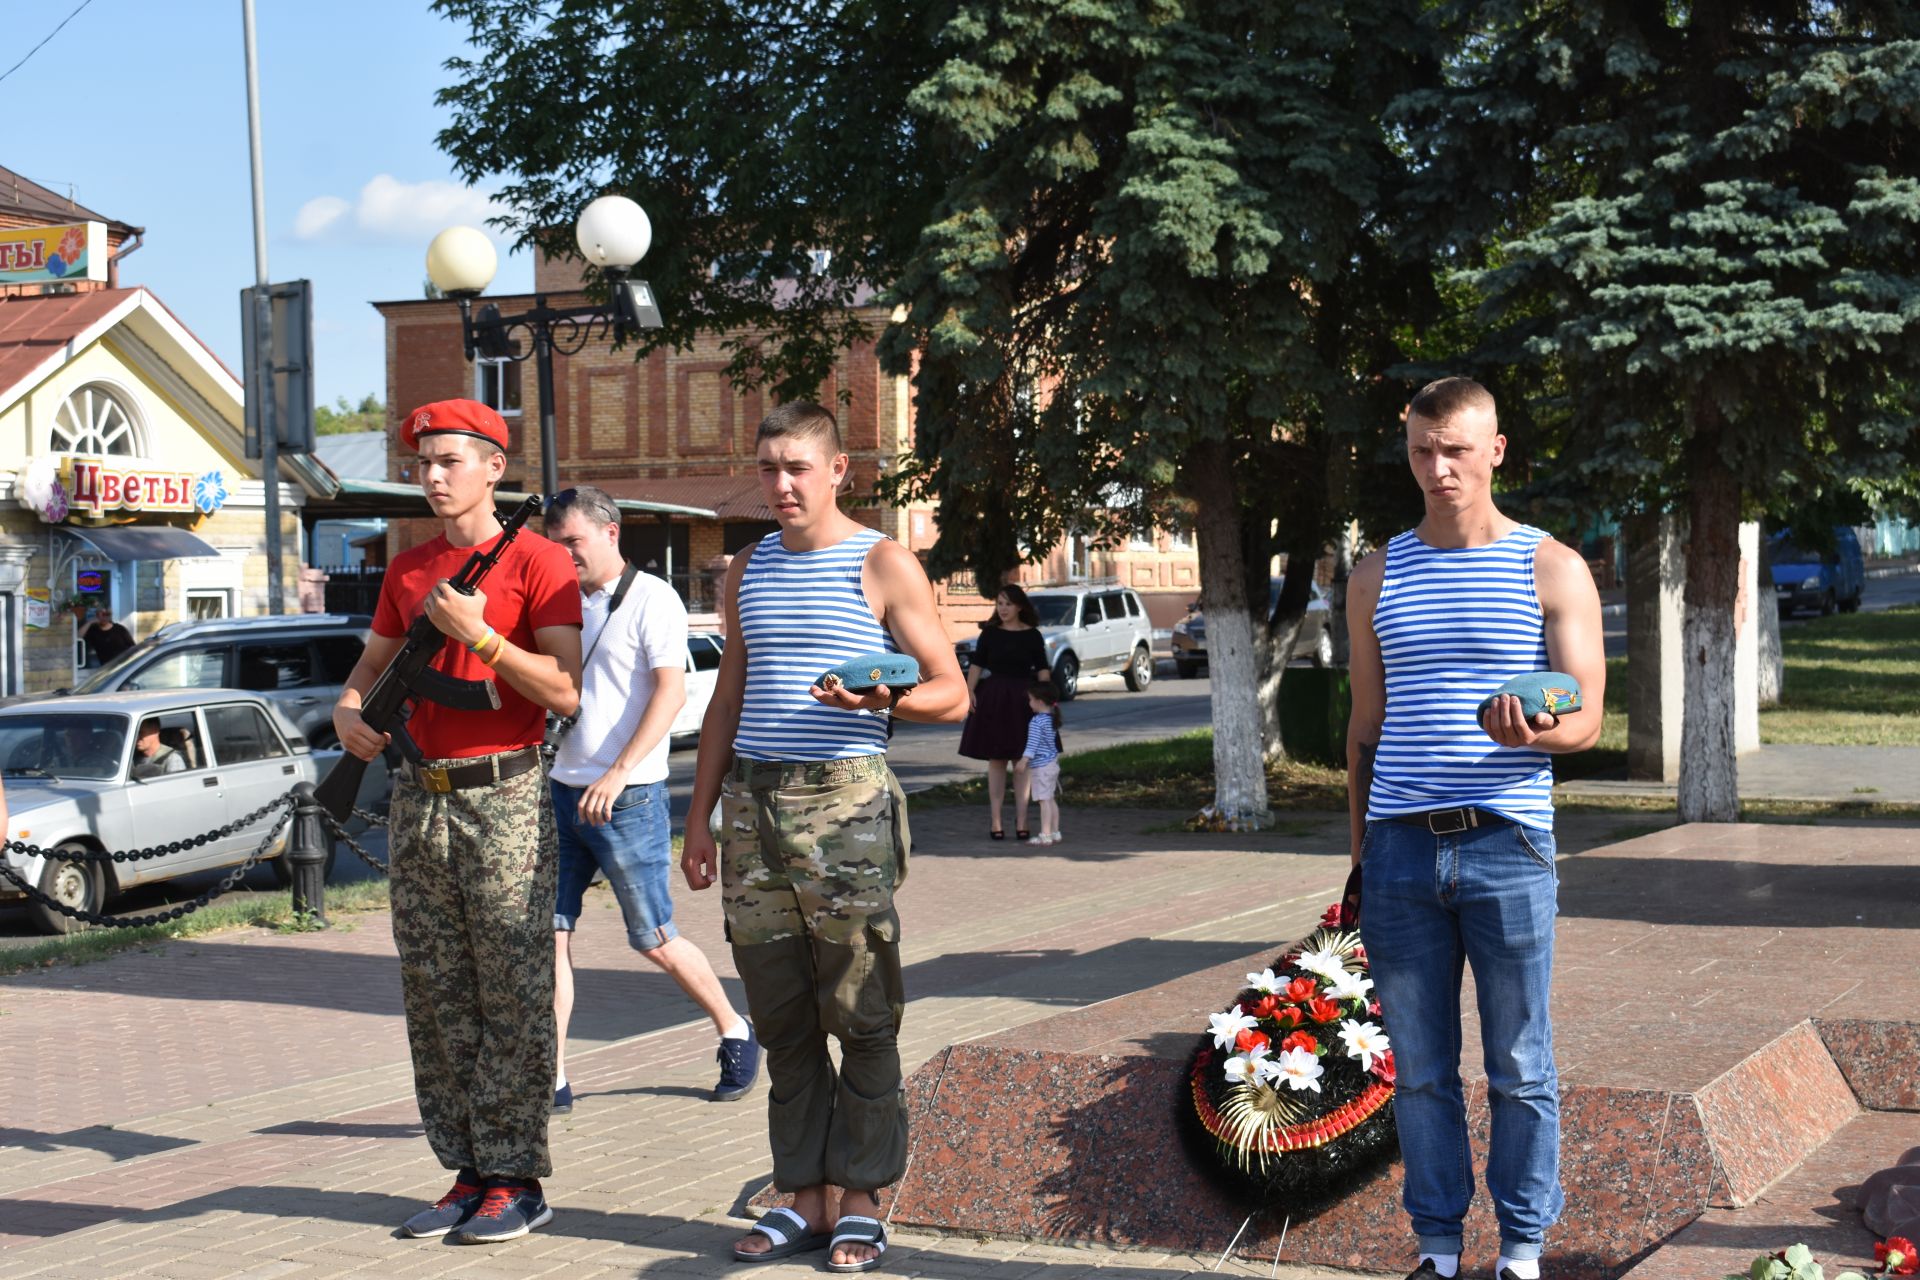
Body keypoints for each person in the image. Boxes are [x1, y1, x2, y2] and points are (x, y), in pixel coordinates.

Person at [681, 401, 967, 1273]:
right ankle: (800, 1196)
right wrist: (697, 816)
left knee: (860, 1009)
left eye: (798, 468)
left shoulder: (881, 563)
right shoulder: (747, 569)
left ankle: (864, 1197)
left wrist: (878, 700)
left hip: (843, 803)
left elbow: (951, 692)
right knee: (781, 1015)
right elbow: (729, 695)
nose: (780, 485)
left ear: (839, 469)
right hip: (754, 809)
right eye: (768, 468)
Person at [1345, 377, 1605, 1280]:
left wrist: (1537, 727)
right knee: (1418, 1069)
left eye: (1456, 448)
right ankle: (1439, 1251)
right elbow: (1365, 729)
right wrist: (1359, 856)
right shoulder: (1377, 571)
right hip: (1401, 848)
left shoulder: (1552, 566)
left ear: (1496, 449)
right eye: (1423, 449)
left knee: (1520, 1062)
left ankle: (1524, 1251)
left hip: (1508, 841)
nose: (1438, 466)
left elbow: (1586, 717)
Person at [332, 399, 583, 1246]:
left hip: (504, 795)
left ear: (493, 468)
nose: (432, 476)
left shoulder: (541, 561)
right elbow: (370, 667)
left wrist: (483, 640)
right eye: (424, 463)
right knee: (436, 993)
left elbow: (564, 690)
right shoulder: (409, 568)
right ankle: (467, 1168)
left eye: (449, 461)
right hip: (419, 799)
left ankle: (516, 1176)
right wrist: (345, 710)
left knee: (511, 989)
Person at [541, 485, 760, 1113]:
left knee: (653, 936)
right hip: (560, 791)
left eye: (573, 543)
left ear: (611, 533)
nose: (564, 557)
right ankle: (553, 1075)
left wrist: (618, 771)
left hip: (627, 796)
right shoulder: (557, 601)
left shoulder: (652, 598)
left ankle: (735, 1028)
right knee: (549, 935)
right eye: (555, 547)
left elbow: (670, 695)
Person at [958, 585, 1050, 840]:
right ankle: (996, 822)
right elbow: (977, 665)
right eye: (999, 603)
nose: (1003, 608)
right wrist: (969, 692)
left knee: (1022, 761)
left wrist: (1048, 700)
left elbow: (1043, 669)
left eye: (1008, 604)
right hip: (994, 699)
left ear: (1020, 606)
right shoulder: (989, 634)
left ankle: (1022, 821)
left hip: (1026, 701)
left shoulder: (1033, 635)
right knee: (996, 760)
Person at [1014, 681, 1063, 845]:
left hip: (1041, 767)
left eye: (1030, 699)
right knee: (1050, 799)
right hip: (1052, 764)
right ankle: (1055, 832)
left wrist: (1023, 761)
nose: (1029, 703)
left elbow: (1032, 745)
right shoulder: (1051, 719)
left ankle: (1045, 834)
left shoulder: (1036, 722)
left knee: (1043, 801)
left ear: (1039, 702)